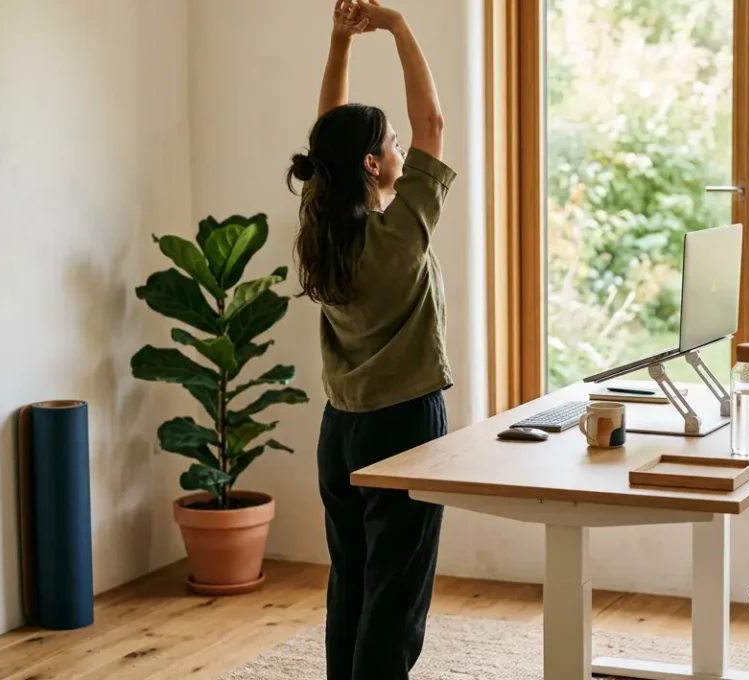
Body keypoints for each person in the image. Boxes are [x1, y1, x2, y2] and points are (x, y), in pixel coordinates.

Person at [284, 1, 452, 677]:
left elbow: (330, 138)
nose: (402, 148)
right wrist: (396, 25)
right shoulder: (400, 233)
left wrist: (338, 44)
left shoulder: (323, 228)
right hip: (405, 426)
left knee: (350, 582)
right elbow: (433, 122)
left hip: (341, 432)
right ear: (373, 166)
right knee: (394, 596)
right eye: (391, 145)